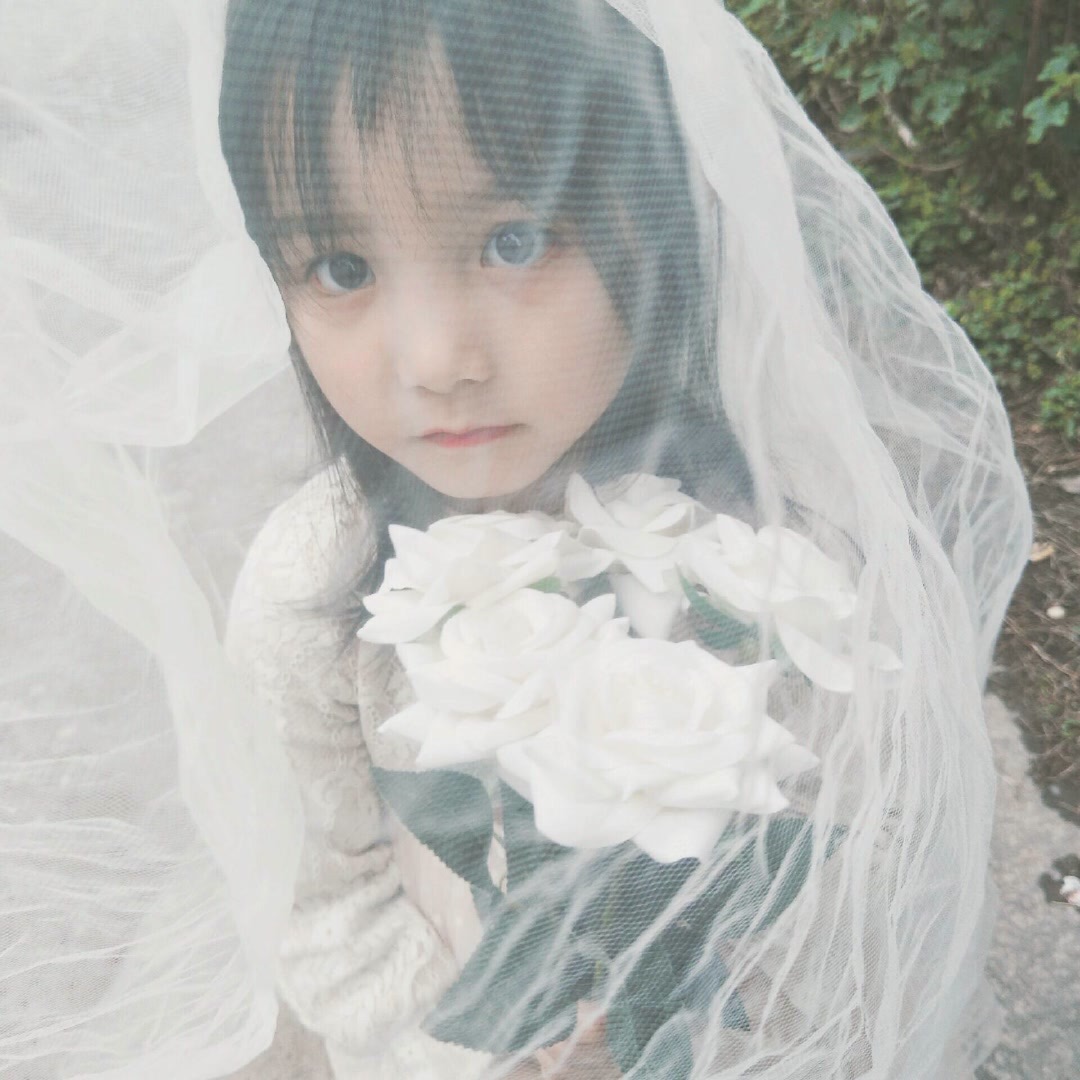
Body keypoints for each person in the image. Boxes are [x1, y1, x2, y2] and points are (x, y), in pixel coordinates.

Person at [0, 1, 1032, 1078]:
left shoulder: (763, 568)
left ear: (651, 219)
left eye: (514, 242)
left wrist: (688, 1025)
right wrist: (487, 1055)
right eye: (342, 268)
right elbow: (325, 901)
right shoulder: (312, 590)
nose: (435, 360)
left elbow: (842, 867)